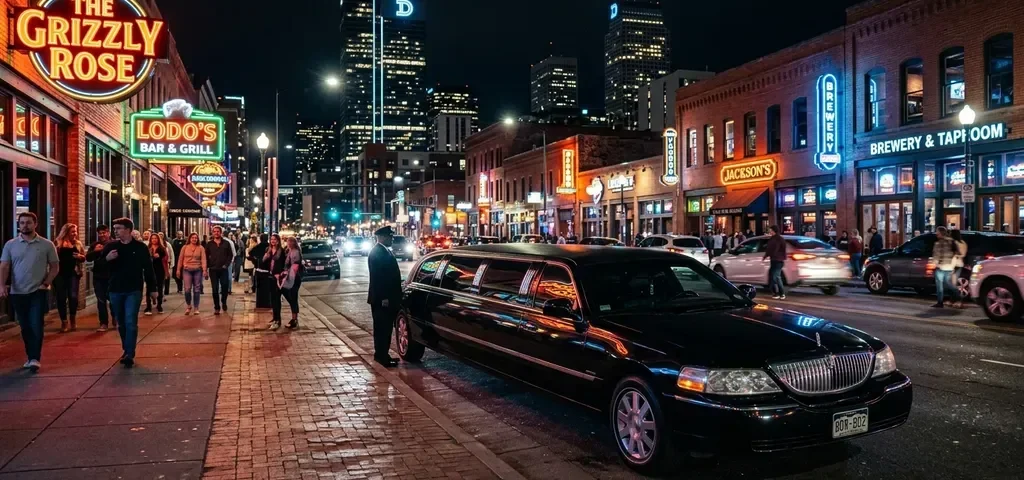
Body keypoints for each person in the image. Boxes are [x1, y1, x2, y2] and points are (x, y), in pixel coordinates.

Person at [0, 212, 60, 372]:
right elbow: (4, 266)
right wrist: (2, 285)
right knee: (25, 326)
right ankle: (30, 356)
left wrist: (46, 282)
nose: (25, 225)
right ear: (18, 225)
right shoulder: (10, 245)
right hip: (17, 292)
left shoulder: (47, 244)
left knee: (36, 324)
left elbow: (55, 266)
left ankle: (35, 358)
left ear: (35, 224)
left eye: (28, 222)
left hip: (37, 291)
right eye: (22, 223)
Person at [100, 218, 159, 368]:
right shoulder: (111, 246)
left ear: (128, 230)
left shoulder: (140, 247)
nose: (116, 231)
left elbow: (148, 268)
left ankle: (129, 353)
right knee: (121, 322)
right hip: (115, 289)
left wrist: (153, 289)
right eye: (115, 228)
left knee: (131, 321)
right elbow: (98, 267)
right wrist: (107, 259)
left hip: (133, 289)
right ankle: (126, 348)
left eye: (119, 228)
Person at [367, 226, 402, 368]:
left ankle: (383, 354)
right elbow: (378, 279)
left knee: (385, 329)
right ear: (381, 237)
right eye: (389, 237)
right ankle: (381, 356)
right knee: (382, 329)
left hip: (386, 298)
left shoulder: (383, 251)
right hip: (382, 299)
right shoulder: (377, 253)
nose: (391, 239)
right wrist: (384, 299)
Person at [53, 223, 86, 332]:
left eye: (76, 231)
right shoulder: (58, 243)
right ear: (66, 232)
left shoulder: (77, 243)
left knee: (73, 296)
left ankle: (72, 318)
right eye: (73, 231)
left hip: (73, 273)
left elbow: (83, 257)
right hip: (59, 273)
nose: (75, 234)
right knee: (61, 298)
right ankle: (64, 321)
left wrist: (80, 257)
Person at [86, 224, 116, 331]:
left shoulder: (114, 244)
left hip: (112, 276)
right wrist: (96, 251)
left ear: (108, 232)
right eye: (100, 233)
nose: (102, 235)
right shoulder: (95, 245)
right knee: (101, 300)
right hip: (98, 276)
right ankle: (103, 323)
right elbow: (88, 258)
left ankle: (115, 317)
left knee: (113, 299)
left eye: (104, 232)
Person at [205, 226, 234, 315]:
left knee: (225, 287)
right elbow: (206, 257)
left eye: (218, 231)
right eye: (214, 231)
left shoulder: (226, 243)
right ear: (212, 233)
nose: (216, 233)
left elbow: (230, 255)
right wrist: (206, 269)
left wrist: (226, 265)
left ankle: (224, 301)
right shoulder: (209, 244)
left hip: (223, 269)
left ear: (221, 232)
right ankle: (217, 307)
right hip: (213, 269)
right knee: (215, 289)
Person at [177, 233, 208, 315]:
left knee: (197, 289)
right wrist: (178, 270)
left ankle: (196, 307)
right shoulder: (185, 247)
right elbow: (180, 259)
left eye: (196, 238)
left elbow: (204, 259)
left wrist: (204, 270)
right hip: (187, 270)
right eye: (192, 238)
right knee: (187, 289)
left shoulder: (201, 248)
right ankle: (189, 305)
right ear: (189, 239)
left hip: (197, 270)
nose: (194, 239)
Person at [277, 237, 304, 329]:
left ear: (291, 243)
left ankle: (294, 319)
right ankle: (294, 318)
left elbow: (295, 266)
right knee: (291, 297)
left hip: (294, 277)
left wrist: (288, 275)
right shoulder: (291, 251)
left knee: (293, 297)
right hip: (292, 277)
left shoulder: (295, 252)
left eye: (288, 242)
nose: (287, 244)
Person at [931, 226, 959, 309]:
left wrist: (935, 264)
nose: (936, 234)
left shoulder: (938, 243)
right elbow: (956, 253)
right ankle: (956, 294)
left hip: (941, 267)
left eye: (937, 232)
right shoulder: (952, 242)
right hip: (949, 267)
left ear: (940, 233)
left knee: (939, 286)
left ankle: (940, 302)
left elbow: (936, 256)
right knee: (948, 283)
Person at [263, 234, 287, 328]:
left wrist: (280, 274)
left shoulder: (281, 251)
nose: (273, 241)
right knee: (272, 299)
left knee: (277, 299)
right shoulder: (268, 250)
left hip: (278, 277)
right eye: (271, 239)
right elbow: (264, 262)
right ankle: (274, 317)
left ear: (278, 241)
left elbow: (284, 264)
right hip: (270, 276)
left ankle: (278, 320)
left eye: (275, 239)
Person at [144, 234, 170, 315]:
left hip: (159, 270)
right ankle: (148, 307)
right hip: (149, 270)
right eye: (152, 238)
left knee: (159, 287)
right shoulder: (147, 248)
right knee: (149, 288)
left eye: (155, 238)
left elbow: (166, 257)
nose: (154, 240)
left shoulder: (162, 248)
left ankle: (159, 305)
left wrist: (159, 257)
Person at [763, 225, 787, 300]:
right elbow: (769, 249)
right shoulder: (775, 239)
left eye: (770, 230)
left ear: (774, 231)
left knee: (775, 276)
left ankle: (780, 293)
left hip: (777, 260)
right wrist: (766, 255)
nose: (769, 232)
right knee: (775, 276)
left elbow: (772, 249)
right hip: (775, 260)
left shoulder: (776, 239)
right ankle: (778, 293)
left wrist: (767, 255)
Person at [949, 229, 968, 309]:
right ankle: (953, 300)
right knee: (954, 283)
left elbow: (954, 253)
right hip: (960, 264)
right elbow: (963, 254)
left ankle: (959, 301)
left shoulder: (954, 243)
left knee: (952, 284)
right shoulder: (963, 243)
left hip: (954, 264)